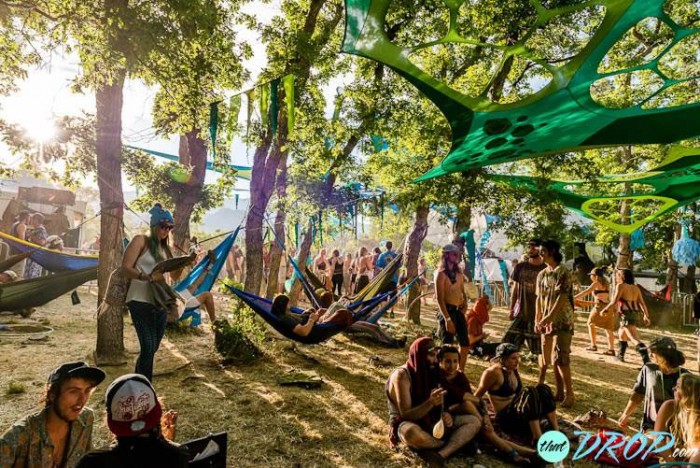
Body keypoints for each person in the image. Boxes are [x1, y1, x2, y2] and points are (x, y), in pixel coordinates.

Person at [385, 337, 481, 467]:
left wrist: (444, 413)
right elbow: (406, 414)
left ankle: (440, 455)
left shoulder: (430, 370)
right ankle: (449, 444)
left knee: (473, 421)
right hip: (407, 423)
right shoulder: (402, 375)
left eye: (436, 355)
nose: (435, 360)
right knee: (411, 434)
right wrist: (430, 403)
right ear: (419, 354)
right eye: (431, 355)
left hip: (431, 421)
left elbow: (443, 401)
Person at [437, 346, 534, 464]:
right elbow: (464, 396)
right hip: (447, 413)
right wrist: (482, 416)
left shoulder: (460, 376)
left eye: (455, 361)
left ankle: (529, 453)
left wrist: (485, 417)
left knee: (488, 432)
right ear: (440, 361)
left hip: (466, 412)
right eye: (447, 361)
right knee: (475, 414)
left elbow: (475, 399)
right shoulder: (437, 377)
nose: (452, 366)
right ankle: (512, 453)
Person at [0, 361, 106, 468]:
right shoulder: (19, 436)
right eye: (74, 391)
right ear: (52, 394)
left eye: (87, 391)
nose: (82, 400)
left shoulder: (86, 419)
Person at [77, 373, 189, 467]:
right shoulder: (179, 455)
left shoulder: (92, 462)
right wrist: (167, 439)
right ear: (158, 409)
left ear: (110, 421)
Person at [121, 204, 177, 381]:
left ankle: (138, 381)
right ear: (154, 226)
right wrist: (145, 277)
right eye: (163, 226)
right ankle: (145, 387)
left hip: (159, 302)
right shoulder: (140, 240)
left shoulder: (167, 249)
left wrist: (187, 261)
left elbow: (174, 276)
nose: (166, 231)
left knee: (152, 348)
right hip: (138, 299)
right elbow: (125, 268)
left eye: (170, 227)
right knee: (147, 346)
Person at [474, 343, 558, 445]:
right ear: (502, 358)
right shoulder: (492, 372)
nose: (517, 361)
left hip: (519, 413)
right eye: (513, 358)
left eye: (518, 358)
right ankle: (537, 438)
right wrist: (483, 415)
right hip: (507, 418)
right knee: (529, 390)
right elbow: (477, 396)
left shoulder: (513, 369)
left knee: (543, 388)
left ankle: (556, 431)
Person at [535, 239, 576, 408]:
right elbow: (538, 298)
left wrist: (550, 316)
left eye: (543, 250)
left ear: (552, 251)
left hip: (563, 320)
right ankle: (558, 392)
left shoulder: (564, 271)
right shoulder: (542, 274)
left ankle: (569, 393)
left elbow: (563, 296)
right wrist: (537, 318)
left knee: (561, 357)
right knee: (550, 357)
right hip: (546, 320)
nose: (540, 253)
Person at [618, 336, 689, 432]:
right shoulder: (648, 369)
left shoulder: (686, 377)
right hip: (650, 426)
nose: (650, 355)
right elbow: (638, 394)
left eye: (653, 353)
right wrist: (626, 414)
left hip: (677, 429)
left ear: (663, 355)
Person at [502, 238, 546, 359]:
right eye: (529, 247)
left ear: (541, 249)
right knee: (507, 342)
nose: (530, 249)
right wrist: (511, 309)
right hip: (521, 314)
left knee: (539, 350)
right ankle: (510, 370)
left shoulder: (546, 269)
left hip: (537, 315)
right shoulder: (520, 267)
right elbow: (515, 289)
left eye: (534, 247)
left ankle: (541, 375)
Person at [600, 268, 651, 363]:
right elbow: (642, 303)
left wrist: (605, 309)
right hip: (634, 314)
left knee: (634, 338)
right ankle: (620, 355)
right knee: (621, 333)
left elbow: (614, 301)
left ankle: (646, 360)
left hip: (626, 315)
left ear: (621, 276)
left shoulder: (621, 286)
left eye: (617, 275)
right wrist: (646, 315)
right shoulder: (635, 288)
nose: (615, 277)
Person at [434, 244, 469, 370]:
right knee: (447, 345)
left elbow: (462, 290)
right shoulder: (441, 274)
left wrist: (465, 302)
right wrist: (447, 319)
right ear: (446, 255)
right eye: (454, 254)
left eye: (458, 254)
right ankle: (442, 371)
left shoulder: (459, 273)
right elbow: (439, 298)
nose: (457, 256)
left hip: (458, 310)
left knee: (465, 344)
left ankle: (460, 371)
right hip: (446, 311)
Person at [652, 373, 700, 464]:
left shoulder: (697, 416)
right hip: (670, 460)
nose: (673, 388)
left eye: (678, 387)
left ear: (687, 393)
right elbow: (658, 441)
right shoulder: (669, 406)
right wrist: (673, 463)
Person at [574, 267, 615, 355]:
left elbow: (586, 292)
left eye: (591, 275)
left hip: (599, 306)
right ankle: (611, 349)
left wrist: (574, 298)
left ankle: (593, 345)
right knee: (608, 328)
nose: (590, 277)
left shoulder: (596, 283)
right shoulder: (607, 283)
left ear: (595, 276)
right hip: (608, 306)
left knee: (590, 323)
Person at [176, 250, 217, 323]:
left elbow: (197, 282)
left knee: (194, 285)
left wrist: (210, 264)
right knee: (207, 295)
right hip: (176, 304)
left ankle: (211, 264)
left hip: (178, 297)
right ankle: (214, 323)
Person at [24, 213, 48, 279]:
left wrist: (32, 237)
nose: (31, 221)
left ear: (36, 220)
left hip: (36, 256)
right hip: (31, 255)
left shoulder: (41, 230)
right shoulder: (35, 229)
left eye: (32, 219)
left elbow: (42, 242)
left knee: (33, 275)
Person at [8, 210, 29, 277]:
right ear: (27, 217)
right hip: (19, 253)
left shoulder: (14, 224)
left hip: (12, 252)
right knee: (17, 275)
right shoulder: (22, 225)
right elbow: (21, 241)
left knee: (11, 274)